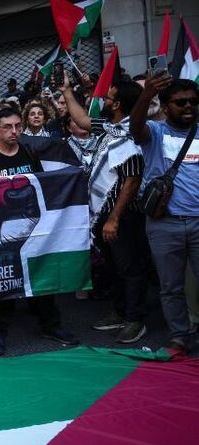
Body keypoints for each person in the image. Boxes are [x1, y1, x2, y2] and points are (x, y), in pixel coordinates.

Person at [0, 108, 79, 355]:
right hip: (1, 236)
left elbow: (44, 186)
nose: (14, 131)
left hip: (33, 231)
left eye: (18, 126)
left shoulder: (30, 153)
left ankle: (50, 325)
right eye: (8, 127)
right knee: (0, 285)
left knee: (41, 279)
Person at [60, 75, 148, 343]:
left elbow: (131, 180)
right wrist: (66, 91)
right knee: (114, 267)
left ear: (118, 103)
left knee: (129, 268)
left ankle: (135, 319)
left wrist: (114, 218)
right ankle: (120, 312)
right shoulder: (110, 126)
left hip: (122, 215)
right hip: (104, 214)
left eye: (108, 97)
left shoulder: (131, 133)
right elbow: (83, 120)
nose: (104, 101)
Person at [129, 74, 199, 352]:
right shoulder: (154, 132)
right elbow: (135, 129)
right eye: (180, 102)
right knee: (170, 287)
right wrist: (146, 95)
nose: (188, 106)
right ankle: (179, 337)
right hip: (164, 225)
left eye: (193, 102)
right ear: (166, 107)